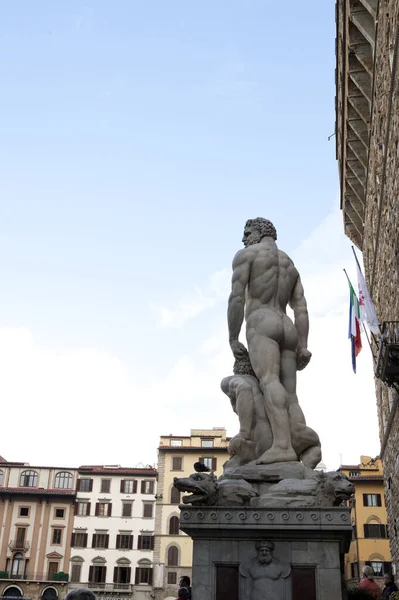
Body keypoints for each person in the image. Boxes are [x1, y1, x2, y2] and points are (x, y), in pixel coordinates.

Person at [228, 217, 319, 465]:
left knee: (268, 381)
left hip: (261, 322)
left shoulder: (247, 255)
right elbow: (300, 307)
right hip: (287, 325)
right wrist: (303, 344)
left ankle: (281, 446)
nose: (244, 238)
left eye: (247, 232)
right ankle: (298, 444)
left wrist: (233, 336)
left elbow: (236, 297)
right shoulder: (290, 264)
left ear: (259, 232)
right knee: (291, 395)